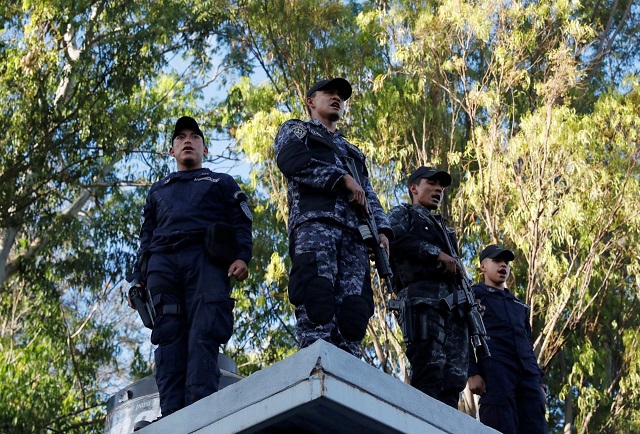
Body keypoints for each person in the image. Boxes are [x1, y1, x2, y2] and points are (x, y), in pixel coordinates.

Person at [127, 116, 252, 427]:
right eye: (180, 137)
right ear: (171, 150)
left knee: (204, 331)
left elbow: (241, 223)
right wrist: (135, 281)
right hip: (163, 263)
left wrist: (242, 257)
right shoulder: (158, 190)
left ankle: (200, 412)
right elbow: (146, 237)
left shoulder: (220, 182)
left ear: (204, 148)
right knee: (169, 336)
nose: (187, 141)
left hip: (206, 260)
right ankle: (171, 416)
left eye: (194, 137)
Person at [273, 77, 392, 357]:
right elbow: (291, 162)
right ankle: (314, 373)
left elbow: (369, 193)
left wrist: (382, 231)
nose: (337, 97)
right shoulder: (297, 130)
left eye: (341, 95)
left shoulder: (352, 151)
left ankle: (347, 383)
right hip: (316, 226)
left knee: (354, 313)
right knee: (317, 299)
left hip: (355, 237)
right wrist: (340, 179)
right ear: (310, 101)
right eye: (329, 92)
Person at [387, 166, 468, 408]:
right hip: (422, 302)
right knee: (429, 370)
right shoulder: (404, 214)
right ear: (414, 188)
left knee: (454, 380)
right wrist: (435, 253)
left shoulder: (445, 228)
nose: (438, 189)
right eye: (431, 183)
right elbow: (393, 237)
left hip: (454, 310)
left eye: (441, 186)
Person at [468, 245, 548, 434]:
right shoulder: (474, 295)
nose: (503, 265)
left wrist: (539, 382)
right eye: (497, 261)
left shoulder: (519, 305)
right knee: (500, 425)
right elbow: (463, 334)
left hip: (527, 374)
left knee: (536, 427)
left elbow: (527, 344)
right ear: (483, 266)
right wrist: (472, 372)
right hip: (496, 371)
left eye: (506, 262)